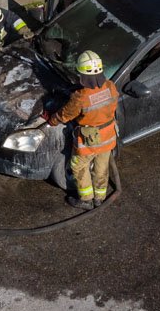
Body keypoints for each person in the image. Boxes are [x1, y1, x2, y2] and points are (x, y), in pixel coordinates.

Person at [46, 50, 120, 210]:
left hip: (90, 141)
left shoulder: (80, 96)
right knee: (102, 167)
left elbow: (65, 115)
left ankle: (86, 199)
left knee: (78, 166)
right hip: (108, 136)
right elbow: (112, 104)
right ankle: (100, 198)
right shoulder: (110, 86)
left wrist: (52, 120)